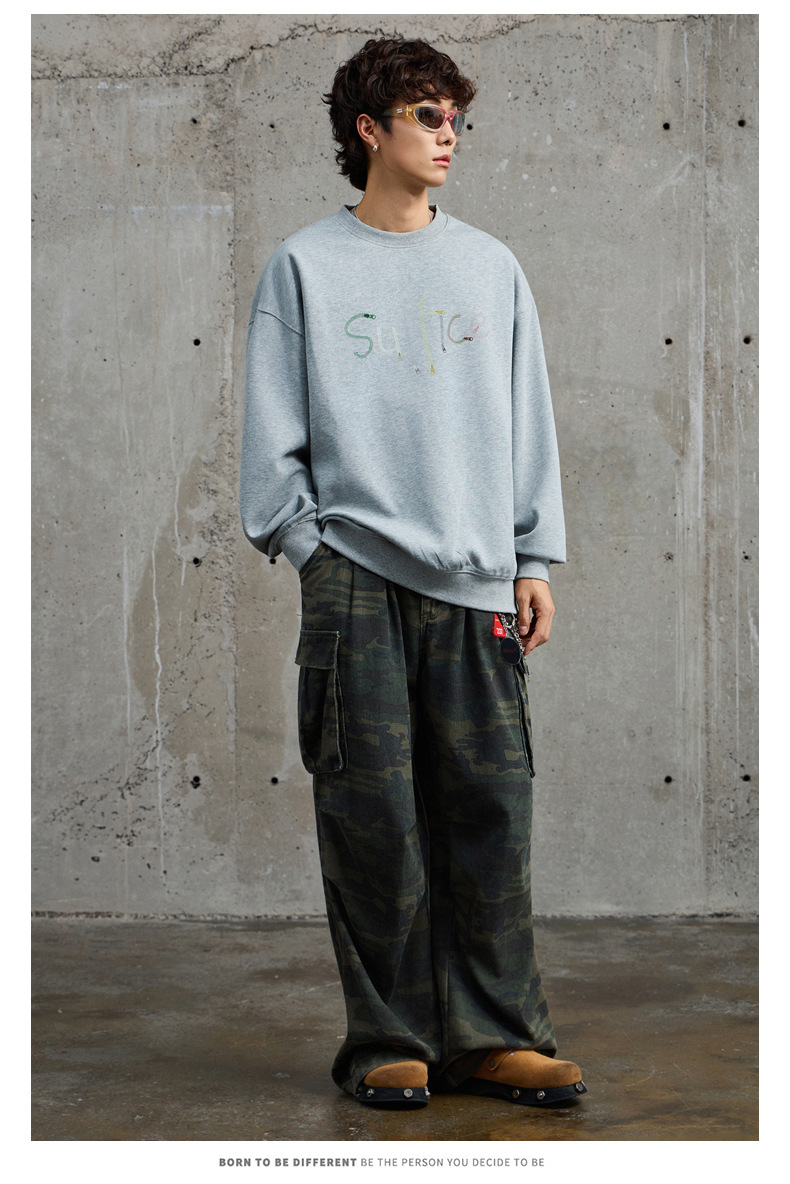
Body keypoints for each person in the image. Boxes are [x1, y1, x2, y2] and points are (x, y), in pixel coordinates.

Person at [240, 35, 586, 1111]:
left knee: (489, 811)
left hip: (476, 577)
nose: (449, 137)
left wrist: (531, 555)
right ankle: (388, 1038)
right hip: (352, 574)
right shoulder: (304, 264)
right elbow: (271, 438)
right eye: (428, 117)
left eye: (455, 119)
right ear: (369, 129)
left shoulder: (490, 265)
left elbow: (527, 417)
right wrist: (309, 549)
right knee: (372, 816)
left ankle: (495, 1036)